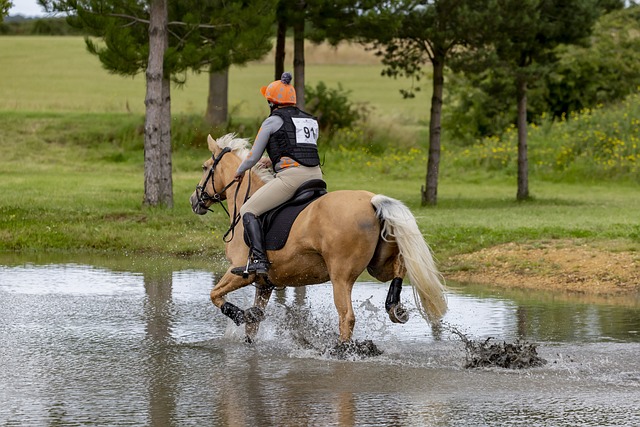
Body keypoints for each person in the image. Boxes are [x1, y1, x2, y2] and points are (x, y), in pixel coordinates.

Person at [232, 72, 323, 277]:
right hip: (317, 176)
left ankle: (259, 261)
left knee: (248, 209)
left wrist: (239, 171)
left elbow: (253, 157)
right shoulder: (309, 120)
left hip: (292, 179)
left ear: (271, 102)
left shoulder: (272, 121)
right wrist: (273, 161)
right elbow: (298, 148)